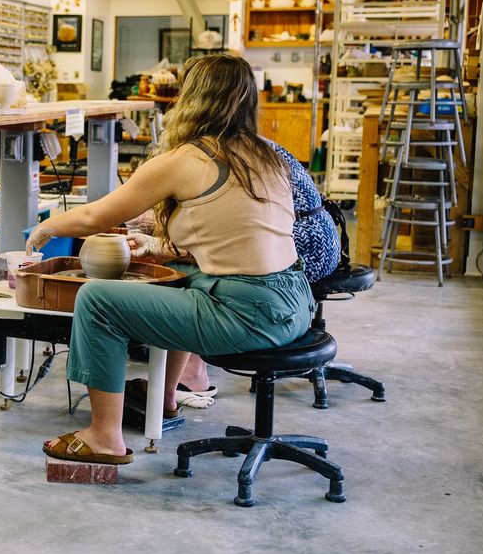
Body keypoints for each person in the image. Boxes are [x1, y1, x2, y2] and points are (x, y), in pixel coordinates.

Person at [25, 53, 315, 465]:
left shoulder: (188, 159)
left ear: (192, 98)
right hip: (295, 303)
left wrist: (48, 226)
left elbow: (94, 216)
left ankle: (105, 436)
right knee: (176, 272)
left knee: (97, 299)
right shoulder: (265, 157)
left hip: (248, 315)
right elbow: (235, 237)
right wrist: (161, 248)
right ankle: (163, 397)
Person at [126, 140, 341, 416]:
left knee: (192, 274)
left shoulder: (224, 157)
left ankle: (191, 375)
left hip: (301, 247)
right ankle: (182, 378)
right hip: (324, 239)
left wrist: (158, 239)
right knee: (196, 269)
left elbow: (217, 238)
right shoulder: (254, 145)